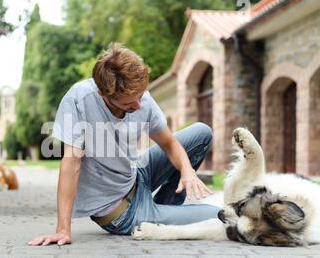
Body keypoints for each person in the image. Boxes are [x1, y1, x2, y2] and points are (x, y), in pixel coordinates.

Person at [29, 43, 220, 246]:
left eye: (140, 96)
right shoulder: (79, 99)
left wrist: (187, 170)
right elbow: (71, 163)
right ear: (104, 95)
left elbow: (170, 145)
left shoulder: (141, 98)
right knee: (220, 216)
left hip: (137, 174)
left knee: (202, 133)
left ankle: (163, 210)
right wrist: (63, 229)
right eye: (130, 103)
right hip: (122, 212)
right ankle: (157, 216)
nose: (139, 105)